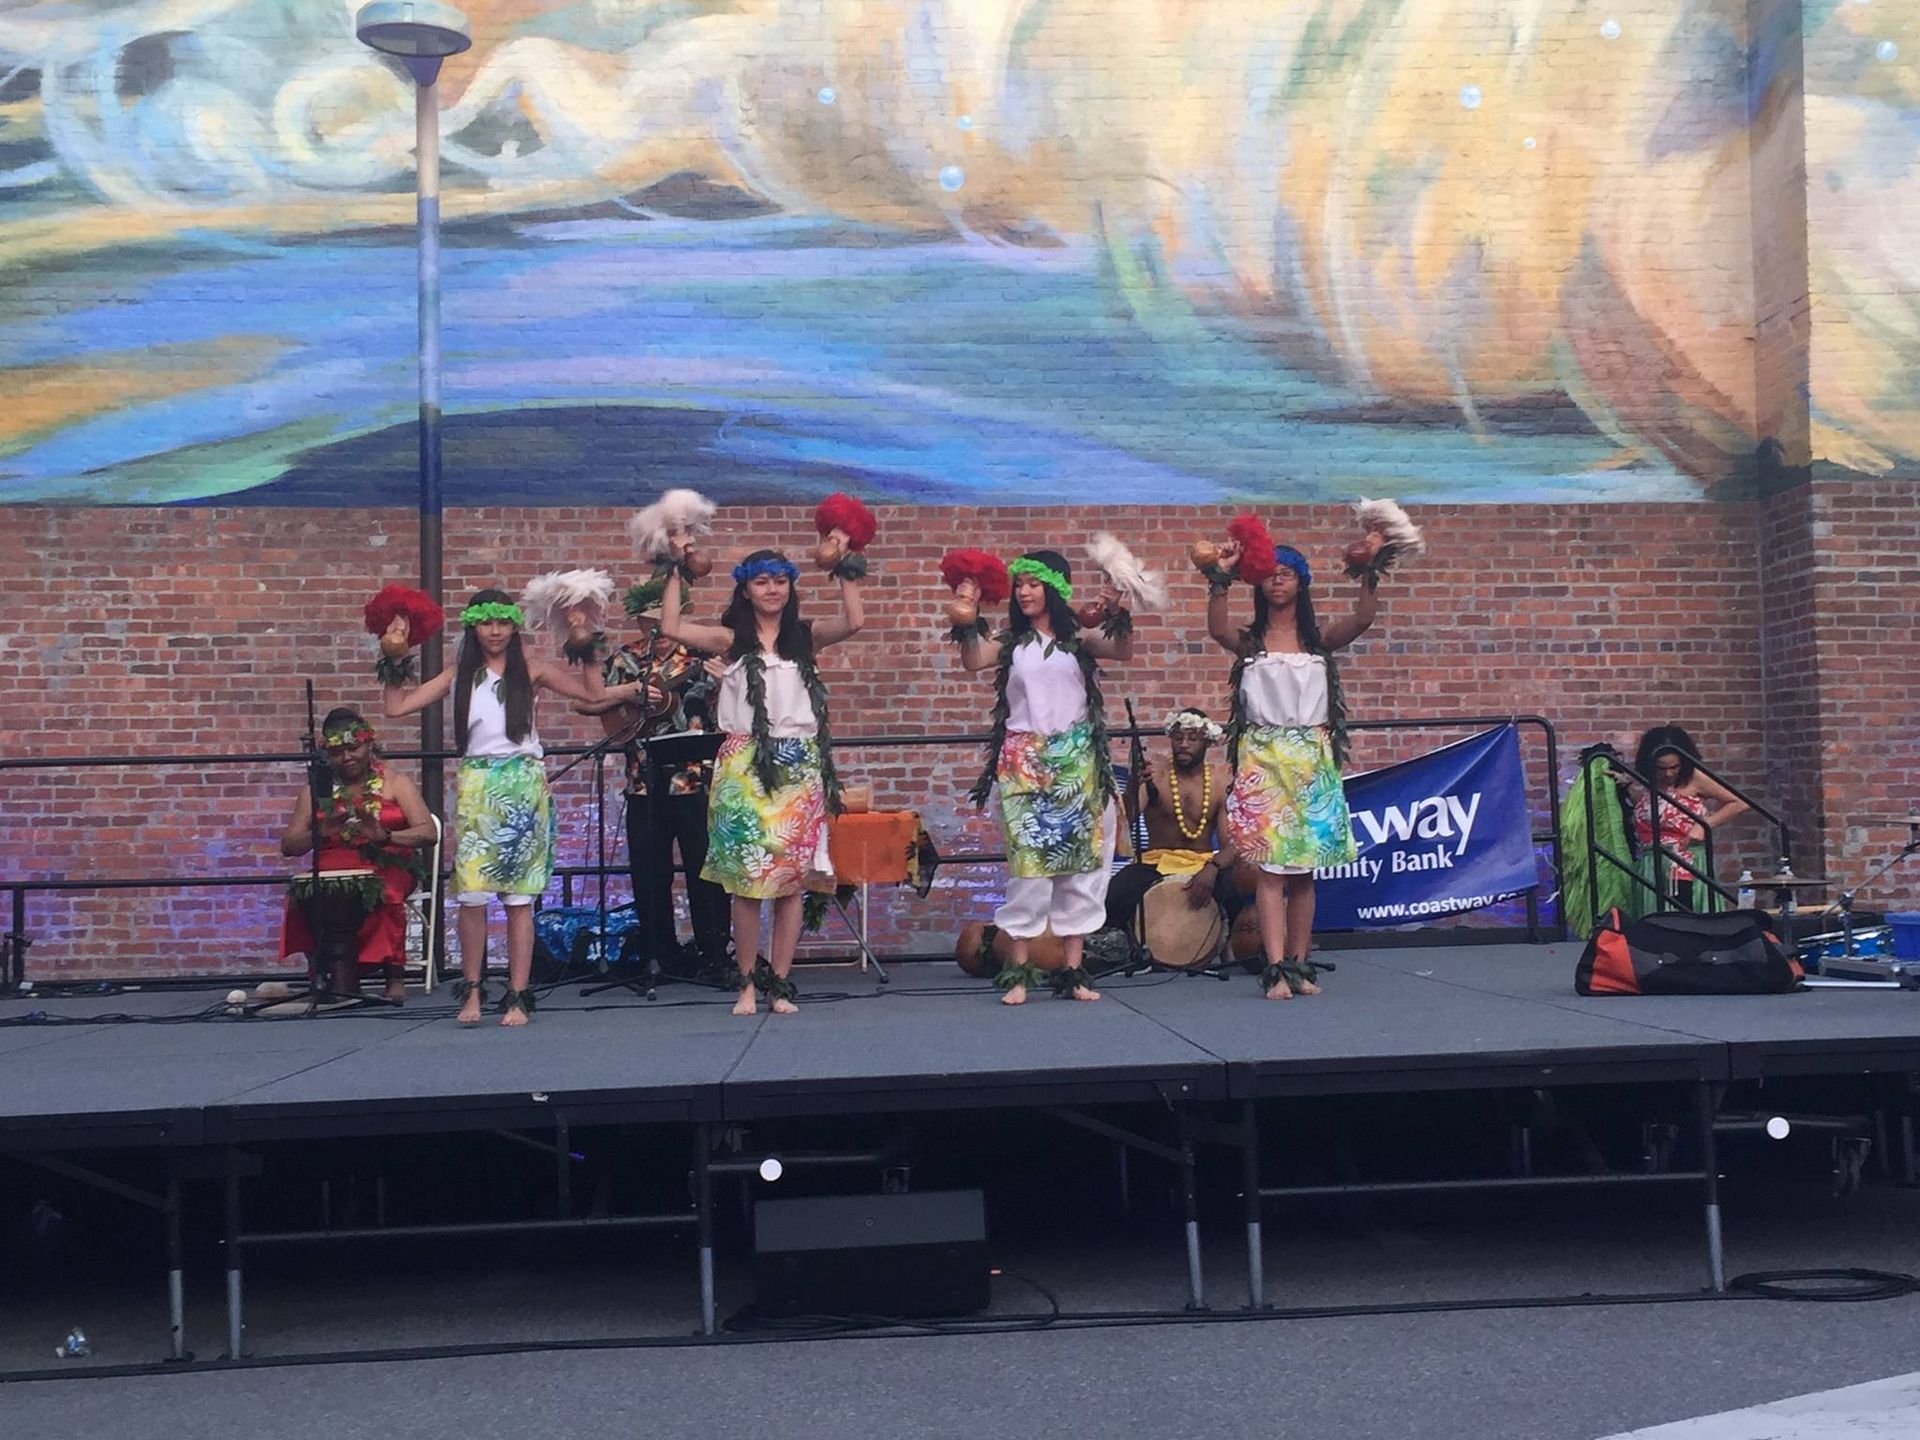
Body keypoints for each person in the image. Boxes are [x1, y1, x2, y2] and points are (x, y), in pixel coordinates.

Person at [383, 587, 639, 1026]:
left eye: (503, 623)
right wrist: (394, 654)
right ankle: (473, 992)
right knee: (472, 894)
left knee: (520, 898)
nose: (495, 631)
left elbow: (594, 696)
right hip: (478, 785)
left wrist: (587, 641)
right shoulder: (457, 675)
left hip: (523, 783)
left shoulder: (532, 670)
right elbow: (397, 706)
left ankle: (519, 994)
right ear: (473, 626)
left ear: (514, 626)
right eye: (486, 623)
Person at [658, 545, 865, 1016]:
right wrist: (674, 570)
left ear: (790, 587)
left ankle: (781, 982)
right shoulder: (730, 640)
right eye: (761, 582)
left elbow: (853, 621)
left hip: (797, 765)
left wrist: (846, 565)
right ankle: (747, 982)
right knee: (747, 881)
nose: (771, 590)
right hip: (744, 762)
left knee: (790, 880)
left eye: (779, 581)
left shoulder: (806, 638)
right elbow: (670, 627)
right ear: (746, 590)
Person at [956, 549, 1133, 1005]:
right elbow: (973, 660)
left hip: (1077, 761)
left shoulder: (1080, 639)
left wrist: (1119, 611)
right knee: (1029, 869)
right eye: (1020, 585)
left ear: (1055, 588)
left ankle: (1074, 971)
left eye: (1034, 584)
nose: (1025, 592)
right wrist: (967, 611)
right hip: (1024, 761)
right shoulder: (1011, 641)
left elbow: (1121, 649)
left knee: (1081, 867)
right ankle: (1018, 972)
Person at [1209, 535, 1380, 999]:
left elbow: (1364, 618)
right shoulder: (1249, 642)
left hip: (1311, 760)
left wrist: (1370, 567)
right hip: (1263, 759)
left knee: (1305, 871)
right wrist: (1220, 578)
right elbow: (1217, 628)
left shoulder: (1318, 641)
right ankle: (1275, 968)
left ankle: (1301, 965)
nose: (1275, 583)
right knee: (1270, 869)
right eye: (1267, 576)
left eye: (1285, 575)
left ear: (1301, 583)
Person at [574, 578, 730, 975]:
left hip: (694, 780)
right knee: (648, 872)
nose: (657, 630)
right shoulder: (626, 660)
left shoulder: (700, 657)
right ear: (640, 626)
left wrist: (722, 683)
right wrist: (627, 694)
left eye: (663, 621)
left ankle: (714, 952)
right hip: (642, 780)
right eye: (649, 623)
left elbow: (734, 703)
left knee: (705, 870)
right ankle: (660, 952)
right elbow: (587, 703)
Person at [279, 708, 436, 1003]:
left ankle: (394, 973)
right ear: (328, 753)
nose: (347, 757)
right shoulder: (315, 790)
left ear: (369, 744)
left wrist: (385, 836)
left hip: (388, 861)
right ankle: (327, 971)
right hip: (333, 861)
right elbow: (289, 845)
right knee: (305, 892)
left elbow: (429, 833)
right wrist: (322, 831)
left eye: (354, 748)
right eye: (338, 751)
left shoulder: (395, 782)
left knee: (384, 891)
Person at [1106, 707, 1242, 944]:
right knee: (1117, 893)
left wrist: (1212, 868)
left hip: (1201, 861)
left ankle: (1227, 948)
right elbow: (1127, 818)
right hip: (1155, 862)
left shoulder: (1219, 784)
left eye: (1192, 738)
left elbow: (1231, 845)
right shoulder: (1156, 776)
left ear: (1207, 742)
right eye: (1178, 738)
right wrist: (1132, 785)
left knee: (1235, 888)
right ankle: (1123, 949)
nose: (1184, 744)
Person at [1625, 724, 1750, 916]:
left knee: (1685, 918)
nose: (1668, 774)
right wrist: (1626, 786)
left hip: (1685, 861)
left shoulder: (1694, 778)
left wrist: (1704, 825)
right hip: (1652, 862)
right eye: (1661, 768)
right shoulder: (1648, 784)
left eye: (1674, 767)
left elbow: (1739, 803)